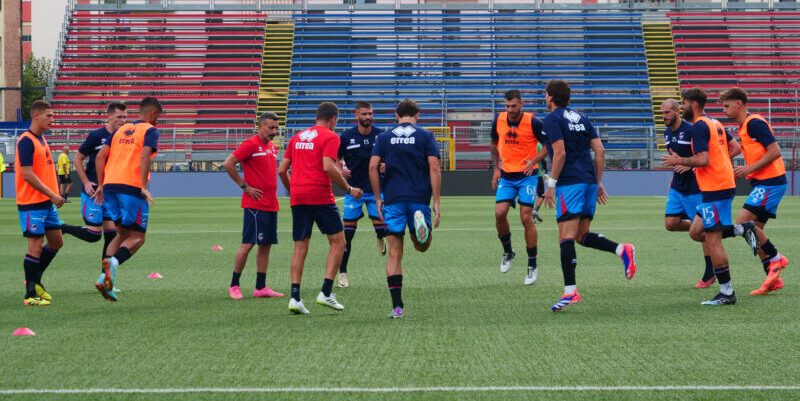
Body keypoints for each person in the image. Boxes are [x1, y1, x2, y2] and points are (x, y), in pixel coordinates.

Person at [540, 80, 637, 312]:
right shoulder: (582, 117)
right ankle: (621, 249)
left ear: (551, 97)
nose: (545, 98)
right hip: (588, 182)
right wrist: (598, 181)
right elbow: (600, 149)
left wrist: (551, 184)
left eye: (546, 94)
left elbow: (560, 152)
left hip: (569, 184)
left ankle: (570, 291)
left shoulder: (552, 119)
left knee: (565, 236)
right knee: (580, 235)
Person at [662, 86, 759, 306]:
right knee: (697, 231)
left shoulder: (697, 126)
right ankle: (742, 229)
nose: (682, 107)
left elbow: (703, 159)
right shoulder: (714, 122)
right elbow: (719, 153)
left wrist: (682, 161)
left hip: (716, 186)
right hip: (715, 185)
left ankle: (727, 293)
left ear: (692, 104)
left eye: (684, 103)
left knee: (713, 240)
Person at [277, 102, 364, 314]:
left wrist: (295, 189)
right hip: (320, 196)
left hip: (299, 197)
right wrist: (349, 188)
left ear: (317, 117)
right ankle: (326, 292)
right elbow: (327, 166)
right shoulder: (331, 137)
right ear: (333, 119)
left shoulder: (297, 137)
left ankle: (295, 298)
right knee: (339, 241)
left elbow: (281, 170)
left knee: (300, 246)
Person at [369, 99, 441, 319]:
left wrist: (377, 198)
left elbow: (372, 166)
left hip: (393, 198)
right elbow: (435, 167)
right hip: (419, 197)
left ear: (396, 115)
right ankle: (421, 228)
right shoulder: (426, 135)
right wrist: (436, 201)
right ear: (417, 115)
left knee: (394, 253)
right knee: (421, 246)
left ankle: (397, 307)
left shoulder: (384, 137)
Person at [719, 87, 789, 295]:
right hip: (763, 183)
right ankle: (772, 276)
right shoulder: (744, 127)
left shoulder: (755, 123)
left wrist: (747, 169)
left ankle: (776, 258)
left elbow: (775, 151)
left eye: (726, 105)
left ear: (739, 103)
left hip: (771, 182)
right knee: (754, 231)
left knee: (743, 223)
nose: (724, 110)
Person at [93, 97, 162, 301]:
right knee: (138, 237)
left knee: (121, 234)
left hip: (111, 186)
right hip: (131, 187)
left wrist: (101, 185)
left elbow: (99, 157)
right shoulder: (150, 131)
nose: (158, 120)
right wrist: (142, 185)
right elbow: (145, 155)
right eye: (158, 116)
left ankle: (103, 279)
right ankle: (112, 264)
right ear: (153, 114)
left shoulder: (119, 131)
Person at [61, 103, 128, 281]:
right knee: (93, 235)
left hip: (110, 193)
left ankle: (105, 278)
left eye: (125, 117)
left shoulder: (123, 137)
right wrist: (85, 181)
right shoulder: (97, 136)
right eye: (119, 117)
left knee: (112, 236)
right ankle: (63, 228)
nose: (123, 121)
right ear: (109, 117)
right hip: (93, 193)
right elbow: (77, 158)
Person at [222, 112, 284, 299]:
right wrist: (245, 186)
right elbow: (228, 163)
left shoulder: (272, 148)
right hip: (255, 205)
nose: (274, 132)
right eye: (271, 128)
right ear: (261, 127)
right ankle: (234, 285)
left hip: (271, 203)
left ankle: (260, 287)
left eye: (276, 128)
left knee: (265, 244)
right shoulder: (251, 144)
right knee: (248, 243)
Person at [490, 89, 548, 285]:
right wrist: (496, 169)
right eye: (507, 106)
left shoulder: (533, 122)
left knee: (526, 218)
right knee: (499, 213)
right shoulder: (498, 119)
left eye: (513, 106)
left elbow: (549, 146)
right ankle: (508, 251)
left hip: (527, 177)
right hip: (506, 176)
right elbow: (494, 143)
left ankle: (532, 264)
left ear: (522, 104)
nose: (510, 109)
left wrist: (535, 160)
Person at [660, 99, 715, 288]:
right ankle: (703, 228)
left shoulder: (692, 129)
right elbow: (676, 160)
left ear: (677, 111)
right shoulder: (667, 132)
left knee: (701, 232)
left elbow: (706, 155)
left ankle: (710, 271)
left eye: (667, 113)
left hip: (694, 187)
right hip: (677, 187)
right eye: (662, 114)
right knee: (671, 223)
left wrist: (689, 165)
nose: (664, 117)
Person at [15, 100, 64, 306]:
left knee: (56, 241)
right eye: (48, 116)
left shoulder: (42, 140)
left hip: (46, 203)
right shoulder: (26, 140)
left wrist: (53, 195)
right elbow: (27, 174)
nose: (52, 119)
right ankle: (30, 294)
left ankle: (35, 282)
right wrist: (52, 194)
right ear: (36, 116)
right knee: (34, 247)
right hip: (32, 202)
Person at [336, 101, 387, 288]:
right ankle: (343, 273)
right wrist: (339, 169)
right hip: (354, 190)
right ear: (356, 115)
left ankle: (379, 235)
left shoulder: (381, 136)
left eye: (370, 114)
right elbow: (335, 159)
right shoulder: (346, 137)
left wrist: (386, 163)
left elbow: (390, 156)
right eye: (364, 114)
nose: (368, 117)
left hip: (376, 190)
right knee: (347, 235)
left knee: (382, 228)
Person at [532, 142, 549, 224]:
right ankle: (535, 210)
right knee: (541, 194)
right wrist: (545, 173)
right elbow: (542, 160)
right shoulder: (538, 145)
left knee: (529, 195)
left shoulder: (526, 142)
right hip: (537, 174)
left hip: (526, 175)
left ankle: (532, 214)